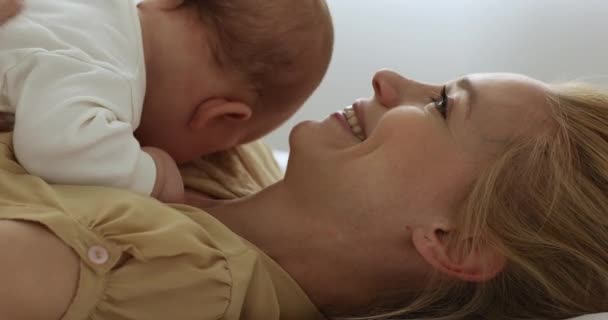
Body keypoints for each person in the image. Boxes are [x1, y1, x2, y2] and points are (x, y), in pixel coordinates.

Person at [1, 69, 607, 320]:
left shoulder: (191, 281)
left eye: (443, 105)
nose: (389, 80)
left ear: (457, 241)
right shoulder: (234, 156)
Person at [0, 0, 333, 203]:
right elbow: (59, 149)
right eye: (213, 153)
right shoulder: (109, 76)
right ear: (219, 115)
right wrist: (156, 177)